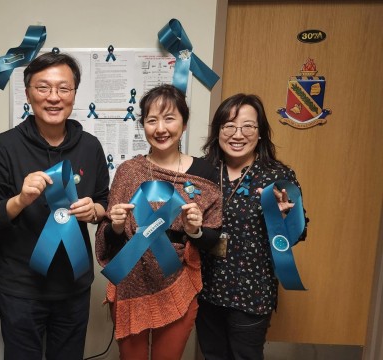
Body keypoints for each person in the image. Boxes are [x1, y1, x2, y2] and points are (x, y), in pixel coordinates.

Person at [0, 52, 110, 360]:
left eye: (63, 88)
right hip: (22, 289)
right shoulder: (3, 146)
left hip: (74, 287)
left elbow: (104, 201)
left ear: (74, 94)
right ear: (28, 94)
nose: (53, 97)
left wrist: (95, 212)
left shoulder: (90, 146)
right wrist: (20, 200)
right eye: (43, 88)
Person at [95, 84, 222, 360]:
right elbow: (108, 239)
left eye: (169, 118)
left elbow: (214, 238)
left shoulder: (204, 173)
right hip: (130, 284)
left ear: (184, 123)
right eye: (152, 120)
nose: (160, 128)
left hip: (178, 282)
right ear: (143, 126)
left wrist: (195, 231)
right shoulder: (128, 171)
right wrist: (115, 225)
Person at [197, 94, 308, 359]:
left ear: (260, 133)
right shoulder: (203, 171)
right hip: (205, 288)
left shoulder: (278, 176)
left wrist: (286, 219)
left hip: (251, 293)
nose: (238, 134)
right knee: (212, 355)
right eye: (229, 126)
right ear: (218, 131)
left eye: (248, 126)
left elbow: (299, 232)